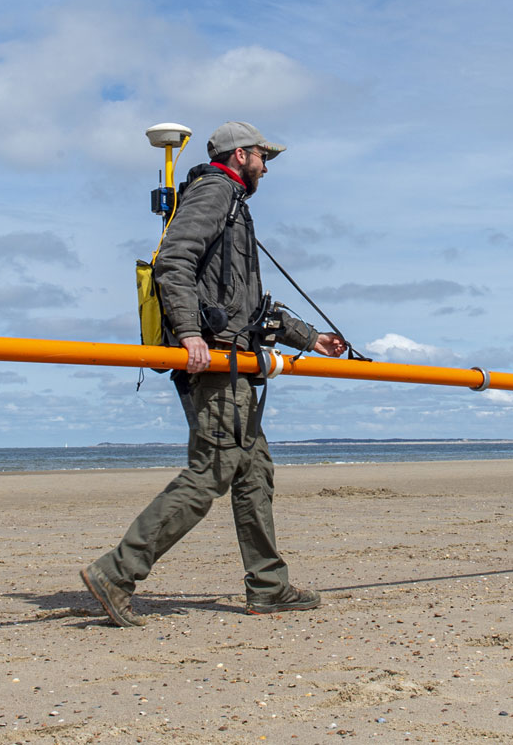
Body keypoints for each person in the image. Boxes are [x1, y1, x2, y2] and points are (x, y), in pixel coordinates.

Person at [81, 122, 348, 628]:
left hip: (234, 359)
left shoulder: (233, 206)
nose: (267, 167)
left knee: (254, 471)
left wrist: (308, 337)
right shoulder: (214, 193)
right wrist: (189, 334)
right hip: (215, 361)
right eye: (263, 157)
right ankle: (116, 573)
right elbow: (173, 263)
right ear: (241, 153)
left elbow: (250, 306)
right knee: (213, 468)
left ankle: (268, 586)